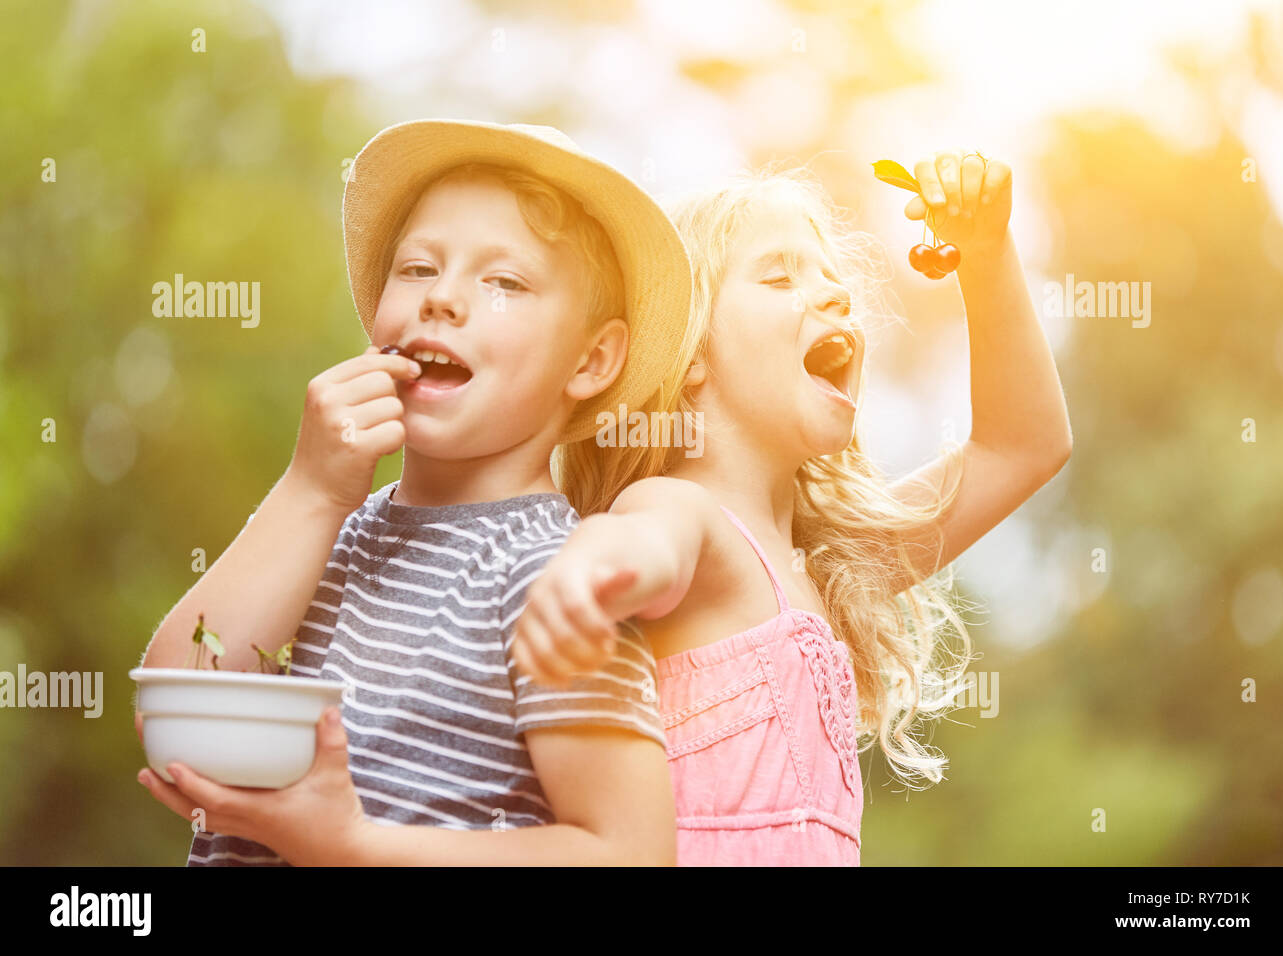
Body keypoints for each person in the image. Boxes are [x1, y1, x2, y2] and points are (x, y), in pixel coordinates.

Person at [135, 119, 691, 865]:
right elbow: (177, 700)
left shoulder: (555, 577)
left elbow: (627, 852)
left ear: (592, 360)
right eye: (418, 269)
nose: (444, 299)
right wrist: (309, 488)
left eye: (504, 282)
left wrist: (352, 846)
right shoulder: (320, 526)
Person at [513, 153, 1074, 865]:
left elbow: (1023, 446)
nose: (835, 297)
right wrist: (590, 572)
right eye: (779, 278)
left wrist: (987, 254)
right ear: (686, 357)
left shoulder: (831, 569)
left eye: (836, 282)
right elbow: (647, 542)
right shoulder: (685, 510)